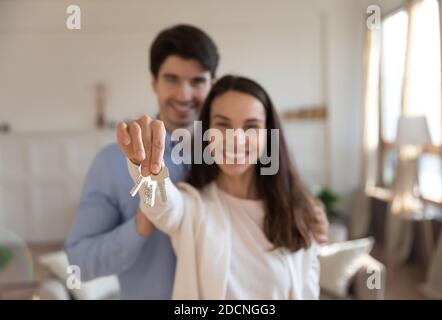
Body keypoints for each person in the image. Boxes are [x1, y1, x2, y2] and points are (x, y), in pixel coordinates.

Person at [66, 24, 329, 299]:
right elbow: (80, 264)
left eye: (197, 81)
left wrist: (307, 215)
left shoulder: (238, 158)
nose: (184, 95)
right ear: (154, 81)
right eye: (171, 79)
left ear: (212, 83)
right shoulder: (114, 162)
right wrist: (142, 221)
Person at [119, 75, 321, 299]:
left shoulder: (297, 211)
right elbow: (160, 205)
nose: (236, 139)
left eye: (251, 126)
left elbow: (309, 290)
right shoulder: (192, 207)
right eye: (223, 125)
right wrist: (146, 167)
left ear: (268, 135)